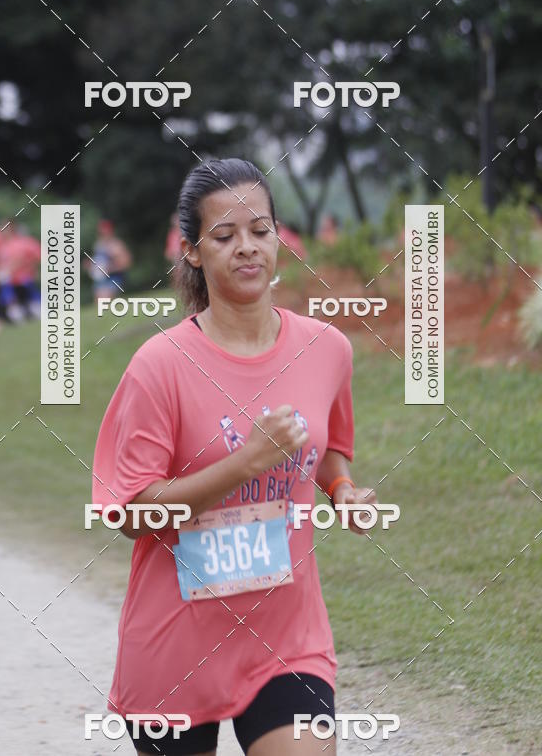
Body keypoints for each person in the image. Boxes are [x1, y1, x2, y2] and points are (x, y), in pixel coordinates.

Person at [92, 158, 377, 755]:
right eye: (224, 237)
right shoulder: (159, 366)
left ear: (279, 238)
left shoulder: (327, 350)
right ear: (193, 251)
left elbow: (328, 452)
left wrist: (343, 489)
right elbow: (130, 515)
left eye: (260, 231)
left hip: (286, 637)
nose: (247, 249)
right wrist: (244, 465)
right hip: (176, 645)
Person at [0, 223, 41, 321]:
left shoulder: (23, 243)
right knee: (8, 295)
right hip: (10, 281)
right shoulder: (3, 247)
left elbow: (34, 257)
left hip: (25, 278)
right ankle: (17, 315)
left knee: (32, 298)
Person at [87, 219, 132, 302]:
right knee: (98, 306)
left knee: (104, 302)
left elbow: (127, 263)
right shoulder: (98, 245)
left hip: (114, 279)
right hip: (100, 280)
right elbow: (98, 261)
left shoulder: (116, 245)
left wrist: (110, 269)